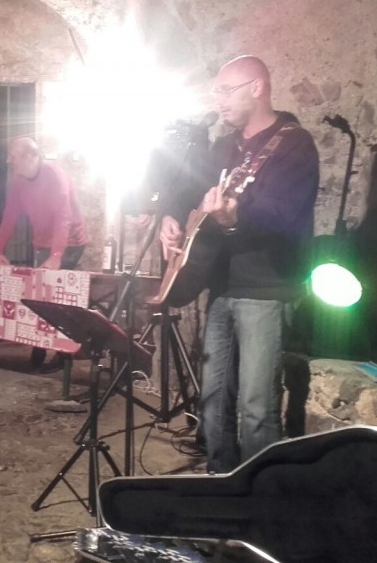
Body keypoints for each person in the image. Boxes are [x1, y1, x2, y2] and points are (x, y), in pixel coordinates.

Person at [158, 55, 319, 473]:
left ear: (257, 88)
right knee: (213, 399)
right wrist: (170, 216)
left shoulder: (294, 144)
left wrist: (235, 218)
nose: (220, 100)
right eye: (217, 92)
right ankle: (220, 477)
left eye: (227, 91)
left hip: (266, 289)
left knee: (257, 404)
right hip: (222, 285)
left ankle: (260, 490)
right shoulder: (225, 146)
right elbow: (189, 185)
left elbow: (284, 213)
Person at [0, 136, 89, 368]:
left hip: (70, 242)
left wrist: (56, 257)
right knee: (39, 295)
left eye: (13, 156)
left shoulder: (55, 176)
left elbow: (63, 219)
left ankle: (63, 356)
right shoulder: (20, 180)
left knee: (57, 297)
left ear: (29, 156)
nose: (8, 160)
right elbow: (10, 215)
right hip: (43, 243)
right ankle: (39, 348)